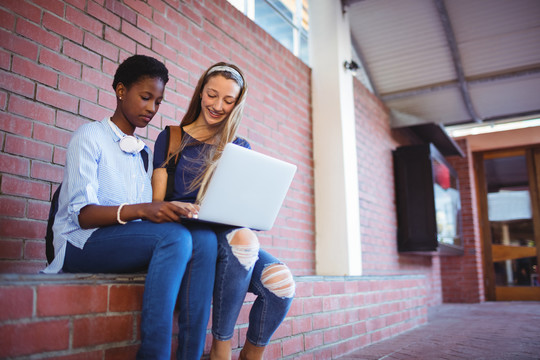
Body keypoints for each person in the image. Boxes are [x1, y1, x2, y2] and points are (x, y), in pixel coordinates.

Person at [43, 55, 217, 360]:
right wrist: (144, 210)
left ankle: (191, 354)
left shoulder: (144, 154)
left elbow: (143, 224)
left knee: (203, 239)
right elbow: (83, 216)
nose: (151, 108)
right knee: (174, 238)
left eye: (159, 102)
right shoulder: (90, 136)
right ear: (121, 90)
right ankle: (154, 354)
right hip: (78, 243)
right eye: (146, 97)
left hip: (119, 242)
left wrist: (169, 211)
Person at [152, 62, 296, 360]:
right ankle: (221, 348)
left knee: (281, 284)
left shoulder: (239, 147)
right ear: (200, 94)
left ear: (237, 104)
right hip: (192, 236)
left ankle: (251, 355)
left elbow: (245, 207)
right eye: (212, 95)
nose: (217, 106)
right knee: (244, 242)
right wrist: (178, 208)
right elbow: (157, 205)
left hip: (234, 239)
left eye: (228, 100)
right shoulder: (173, 138)